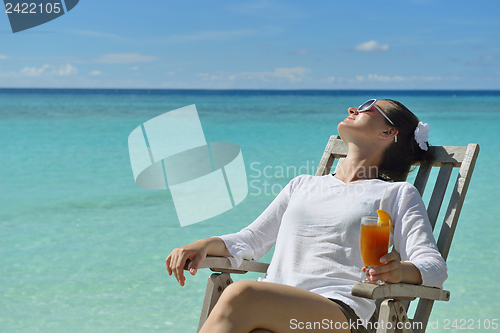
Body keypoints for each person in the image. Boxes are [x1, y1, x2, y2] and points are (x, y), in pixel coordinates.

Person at [165, 99, 447, 333]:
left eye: (368, 107)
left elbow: (434, 266)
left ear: (387, 132)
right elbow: (251, 240)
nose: (354, 109)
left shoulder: (396, 194)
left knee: (240, 294)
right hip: (273, 310)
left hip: (337, 313)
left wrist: (400, 272)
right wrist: (204, 244)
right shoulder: (303, 185)